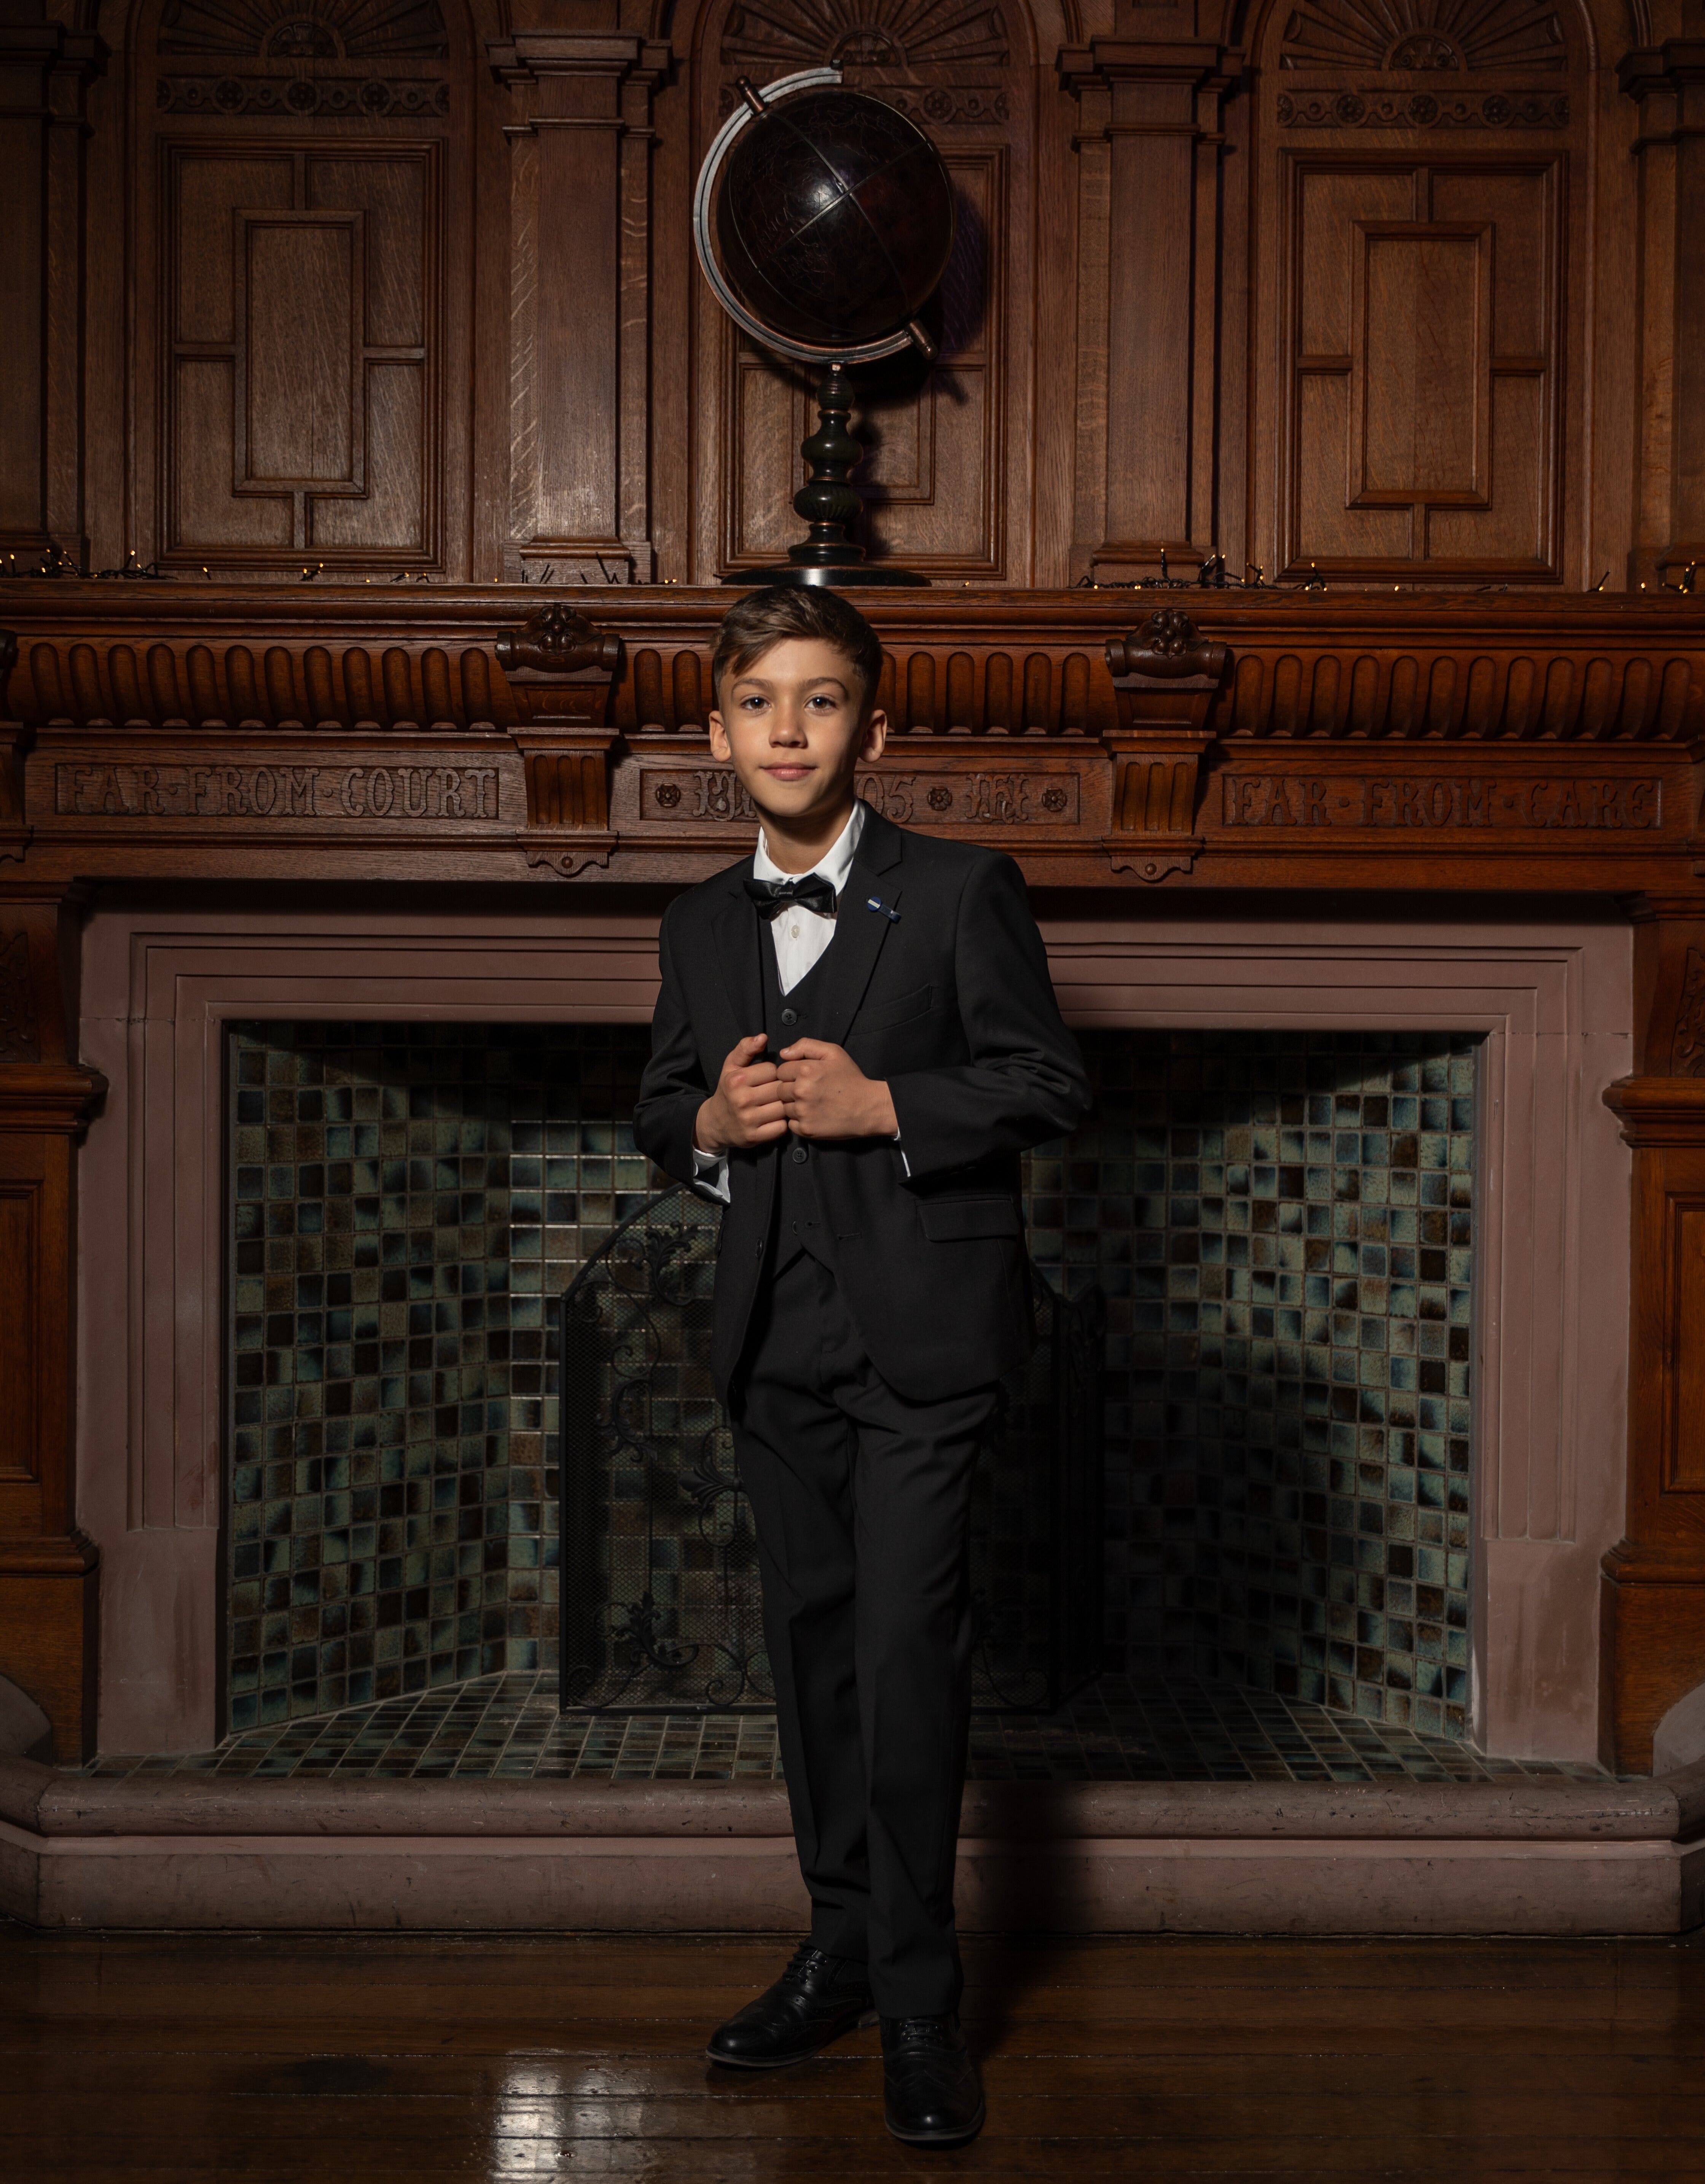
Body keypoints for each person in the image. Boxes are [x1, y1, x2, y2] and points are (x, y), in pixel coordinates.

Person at [633, 585, 1089, 2149]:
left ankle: (918, 1998)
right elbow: (660, 1099)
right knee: (814, 1658)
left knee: (905, 1657)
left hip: (926, 1347)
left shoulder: (962, 893)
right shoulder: (698, 922)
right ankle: (833, 1944)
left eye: (821, 700)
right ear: (717, 731)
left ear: (870, 729)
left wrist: (885, 1106)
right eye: (759, 699)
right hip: (775, 1345)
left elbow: (1045, 1080)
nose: (787, 727)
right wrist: (702, 1128)